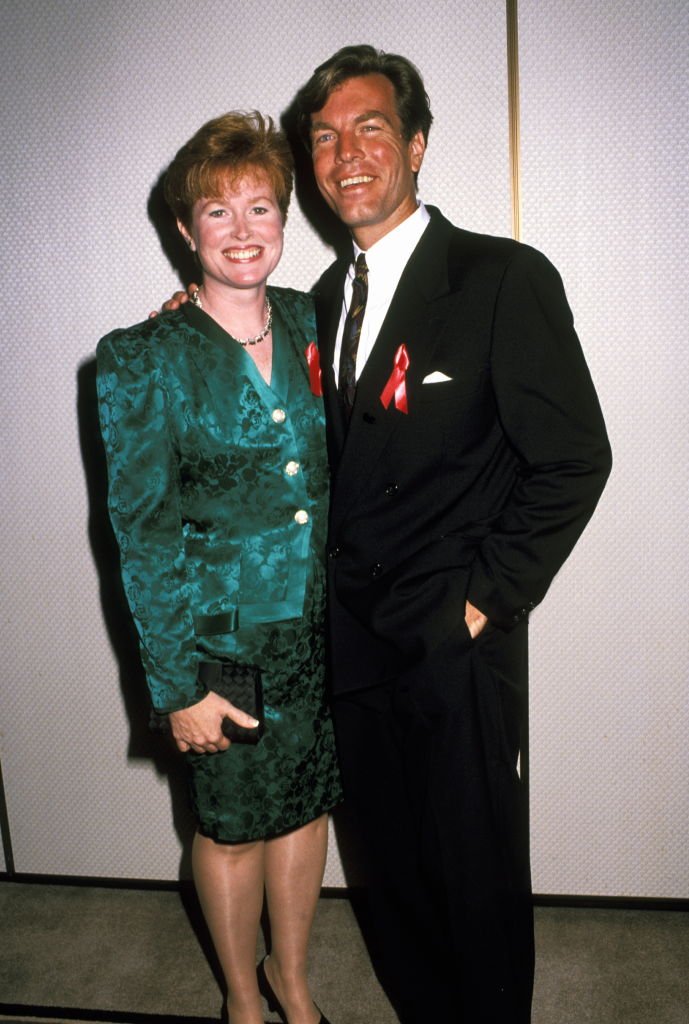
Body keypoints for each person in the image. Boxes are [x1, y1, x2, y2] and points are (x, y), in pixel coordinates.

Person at [293, 46, 612, 1023]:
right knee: (388, 890)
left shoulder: (497, 278)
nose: (346, 154)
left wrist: (475, 603)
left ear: (416, 143)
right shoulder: (313, 305)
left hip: (448, 648)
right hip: (346, 649)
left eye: (370, 129)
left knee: (472, 896)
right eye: (324, 138)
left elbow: (571, 459)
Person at [97, 111, 340, 1024]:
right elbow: (142, 532)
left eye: (261, 208)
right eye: (217, 212)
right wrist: (176, 688)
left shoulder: (317, 321)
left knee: (306, 810)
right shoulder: (141, 359)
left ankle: (295, 980)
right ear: (184, 229)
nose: (243, 230)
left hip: (316, 630)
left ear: (285, 221)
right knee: (233, 828)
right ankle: (242, 998)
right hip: (219, 645)